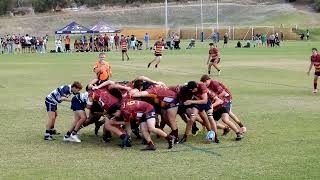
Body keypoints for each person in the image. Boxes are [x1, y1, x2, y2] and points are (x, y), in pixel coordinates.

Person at [107, 100, 175, 150]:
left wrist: (116, 123)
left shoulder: (125, 112)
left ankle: (170, 138)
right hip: (143, 112)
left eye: (114, 114)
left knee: (151, 128)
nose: (115, 116)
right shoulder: (123, 107)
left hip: (148, 109)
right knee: (143, 130)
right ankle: (151, 145)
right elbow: (128, 125)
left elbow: (127, 125)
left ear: (117, 110)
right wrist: (128, 137)